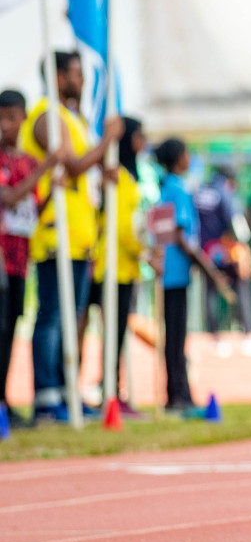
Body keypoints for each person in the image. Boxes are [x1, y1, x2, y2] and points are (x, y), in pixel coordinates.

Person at [21, 51, 123, 422]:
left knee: (71, 317)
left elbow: (84, 170)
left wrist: (103, 170)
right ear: (59, 76)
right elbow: (74, 164)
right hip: (54, 233)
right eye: (76, 74)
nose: (81, 81)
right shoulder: (48, 116)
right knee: (51, 315)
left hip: (80, 236)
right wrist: (107, 141)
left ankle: (66, 393)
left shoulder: (74, 118)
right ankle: (46, 398)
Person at [152, 139, 232, 411]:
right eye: (187, 153)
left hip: (169, 272)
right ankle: (178, 395)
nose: (190, 158)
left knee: (173, 337)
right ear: (178, 159)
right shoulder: (178, 190)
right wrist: (207, 267)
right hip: (175, 273)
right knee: (176, 337)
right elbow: (181, 236)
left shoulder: (166, 188)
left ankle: (177, 393)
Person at [1, 90, 59, 424]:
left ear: (22, 117)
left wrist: (52, 189)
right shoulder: (19, 164)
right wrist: (45, 170)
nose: (4, 126)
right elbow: (8, 197)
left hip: (19, 259)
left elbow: (30, 210)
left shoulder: (26, 162)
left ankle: (5, 401)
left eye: (10, 118)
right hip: (1, 257)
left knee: (12, 327)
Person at [91, 117, 146, 414]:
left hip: (116, 265)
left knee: (113, 332)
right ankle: (110, 391)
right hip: (115, 267)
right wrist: (144, 250)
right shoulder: (121, 177)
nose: (144, 142)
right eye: (140, 136)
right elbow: (125, 227)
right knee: (113, 332)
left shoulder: (122, 176)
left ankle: (110, 389)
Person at [194, 166, 251, 353]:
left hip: (205, 251)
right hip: (226, 249)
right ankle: (248, 333)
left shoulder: (199, 191)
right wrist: (243, 244)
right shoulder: (225, 191)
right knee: (241, 287)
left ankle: (214, 337)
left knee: (211, 291)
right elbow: (235, 220)